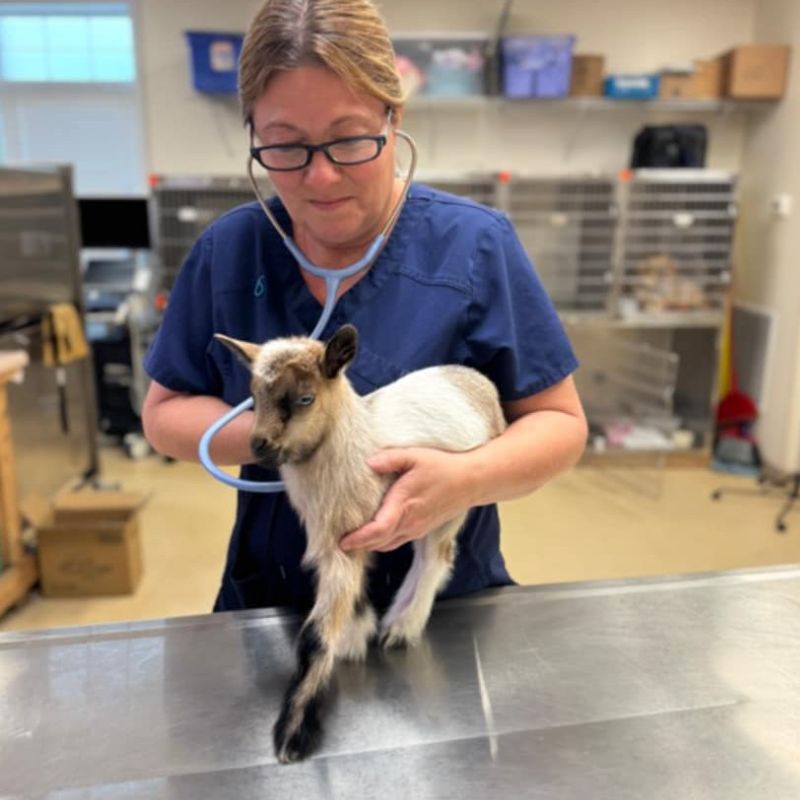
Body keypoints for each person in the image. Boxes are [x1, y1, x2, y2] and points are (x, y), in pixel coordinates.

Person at [142, 0, 588, 615]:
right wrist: (293, 438)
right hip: (277, 599)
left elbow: (560, 427)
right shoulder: (229, 252)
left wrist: (464, 479)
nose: (320, 177)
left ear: (393, 116)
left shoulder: (475, 246)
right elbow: (165, 414)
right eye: (285, 147)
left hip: (442, 602)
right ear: (253, 136)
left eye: (349, 139)